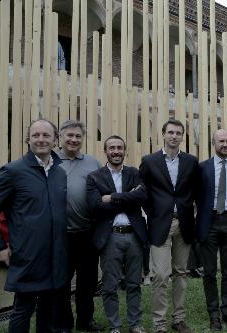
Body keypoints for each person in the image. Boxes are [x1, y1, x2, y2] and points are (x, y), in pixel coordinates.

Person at [0, 119, 68, 333]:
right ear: (28, 140)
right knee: (23, 308)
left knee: (48, 308)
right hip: (28, 254)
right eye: (36, 135)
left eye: (46, 135)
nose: (41, 139)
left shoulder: (59, 172)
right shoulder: (13, 171)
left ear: (55, 140)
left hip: (56, 254)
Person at [139, 119, 198, 333]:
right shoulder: (149, 161)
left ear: (183, 136)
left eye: (178, 133)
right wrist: (154, 212)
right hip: (159, 224)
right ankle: (159, 324)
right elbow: (142, 191)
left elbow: (196, 191)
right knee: (161, 275)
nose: (174, 136)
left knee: (181, 272)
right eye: (170, 132)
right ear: (163, 134)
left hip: (184, 224)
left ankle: (178, 319)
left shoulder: (191, 161)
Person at [86, 135, 148, 333]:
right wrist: (128, 198)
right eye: (111, 148)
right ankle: (115, 326)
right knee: (109, 285)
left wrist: (112, 198)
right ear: (105, 151)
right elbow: (95, 206)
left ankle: (135, 324)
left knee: (134, 284)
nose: (116, 151)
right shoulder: (95, 176)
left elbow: (141, 196)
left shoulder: (134, 173)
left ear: (125, 151)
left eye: (119, 148)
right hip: (110, 236)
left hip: (134, 236)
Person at [55, 120, 104, 333]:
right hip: (60, 235)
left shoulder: (92, 162)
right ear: (60, 138)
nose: (74, 140)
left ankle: (85, 320)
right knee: (62, 283)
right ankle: (64, 323)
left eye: (78, 136)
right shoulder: (50, 160)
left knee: (89, 281)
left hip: (87, 232)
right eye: (70, 136)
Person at [196, 129, 227, 331]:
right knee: (209, 272)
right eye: (221, 141)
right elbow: (196, 196)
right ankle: (213, 314)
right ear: (213, 143)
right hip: (209, 222)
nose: (224, 144)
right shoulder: (202, 168)